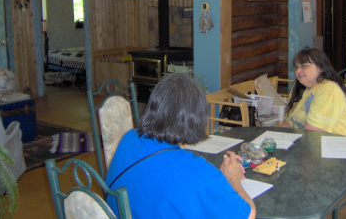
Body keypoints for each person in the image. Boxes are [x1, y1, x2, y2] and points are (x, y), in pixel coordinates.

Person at [105, 73, 256, 219]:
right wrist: (233, 178)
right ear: (195, 118)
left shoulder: (128, 138)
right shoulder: (197, 172)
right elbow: (248, 215)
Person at [281, 48, 346, 137]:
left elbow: (312, 133)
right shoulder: (298, 88)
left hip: (335, 146)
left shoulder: (328, 89)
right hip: (307, 142)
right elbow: (288, 122)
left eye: (304, 66)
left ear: (320, 68)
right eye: (297, 67)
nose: (298, 71)